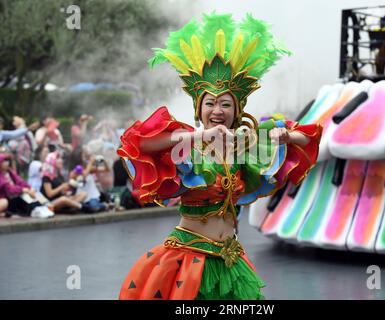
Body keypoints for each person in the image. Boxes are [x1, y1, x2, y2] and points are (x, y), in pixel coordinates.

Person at [117, 13, 323, 300]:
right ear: (199, 109)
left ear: (237, 110)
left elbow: (307, 136)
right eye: (210, 103)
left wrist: (286, 136)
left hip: (230, 258)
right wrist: (199, 136)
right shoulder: (187, 144)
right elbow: (140, 142)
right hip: (190, 256)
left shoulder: (245, 143)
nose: (218, 110)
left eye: (226, 104)